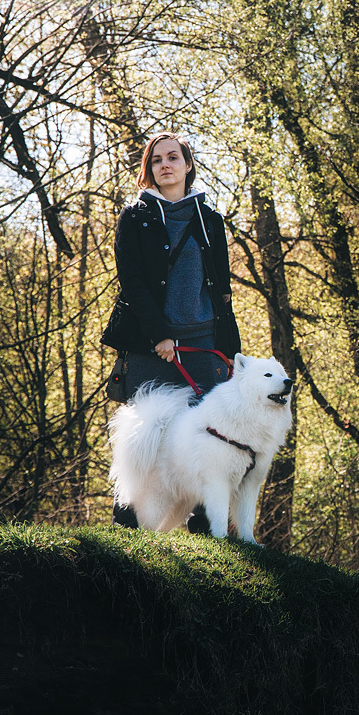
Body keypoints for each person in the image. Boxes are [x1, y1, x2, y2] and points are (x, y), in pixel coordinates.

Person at [102, 131, 241, 528]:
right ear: (149, 170)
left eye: (173, 157)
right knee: (144, 441)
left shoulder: (210, 220)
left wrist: (231, 351)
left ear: (187, 164)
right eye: (157, 160)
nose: (165, 164)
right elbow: (132, 281)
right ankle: (126, 529)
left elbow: (221, 286)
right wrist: (159, 334)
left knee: (208, 440)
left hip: (203, 344)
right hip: (150, 347)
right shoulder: (135, 216)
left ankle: (203, 532)